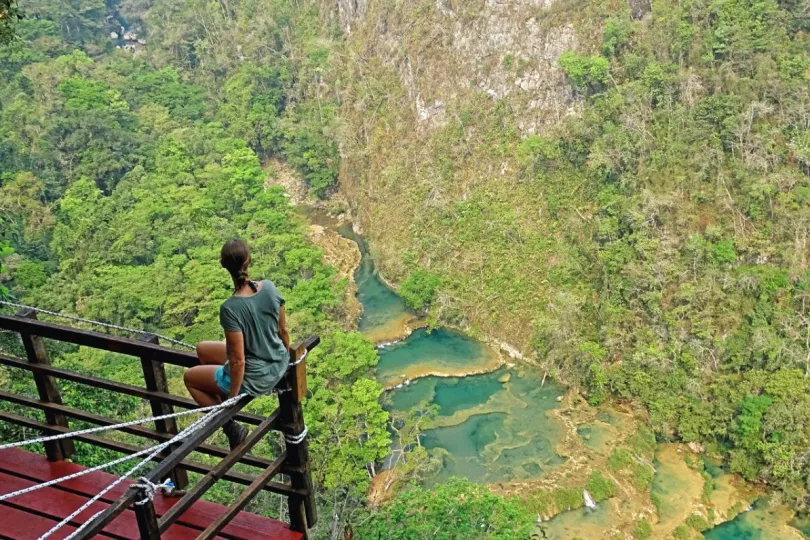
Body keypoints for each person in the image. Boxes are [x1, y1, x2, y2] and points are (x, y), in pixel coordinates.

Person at [183, 238, 291, 449]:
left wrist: (231, 398)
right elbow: (283, 331)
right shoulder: (269, 287)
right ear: (249, 260)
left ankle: (229, 425)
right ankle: (218, 387)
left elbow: (239, 361)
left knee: (190, 378)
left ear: (224, 265)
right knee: (202, 350)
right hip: (277, 360)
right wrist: (283, 357)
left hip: (254, 375)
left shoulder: (230, 308)